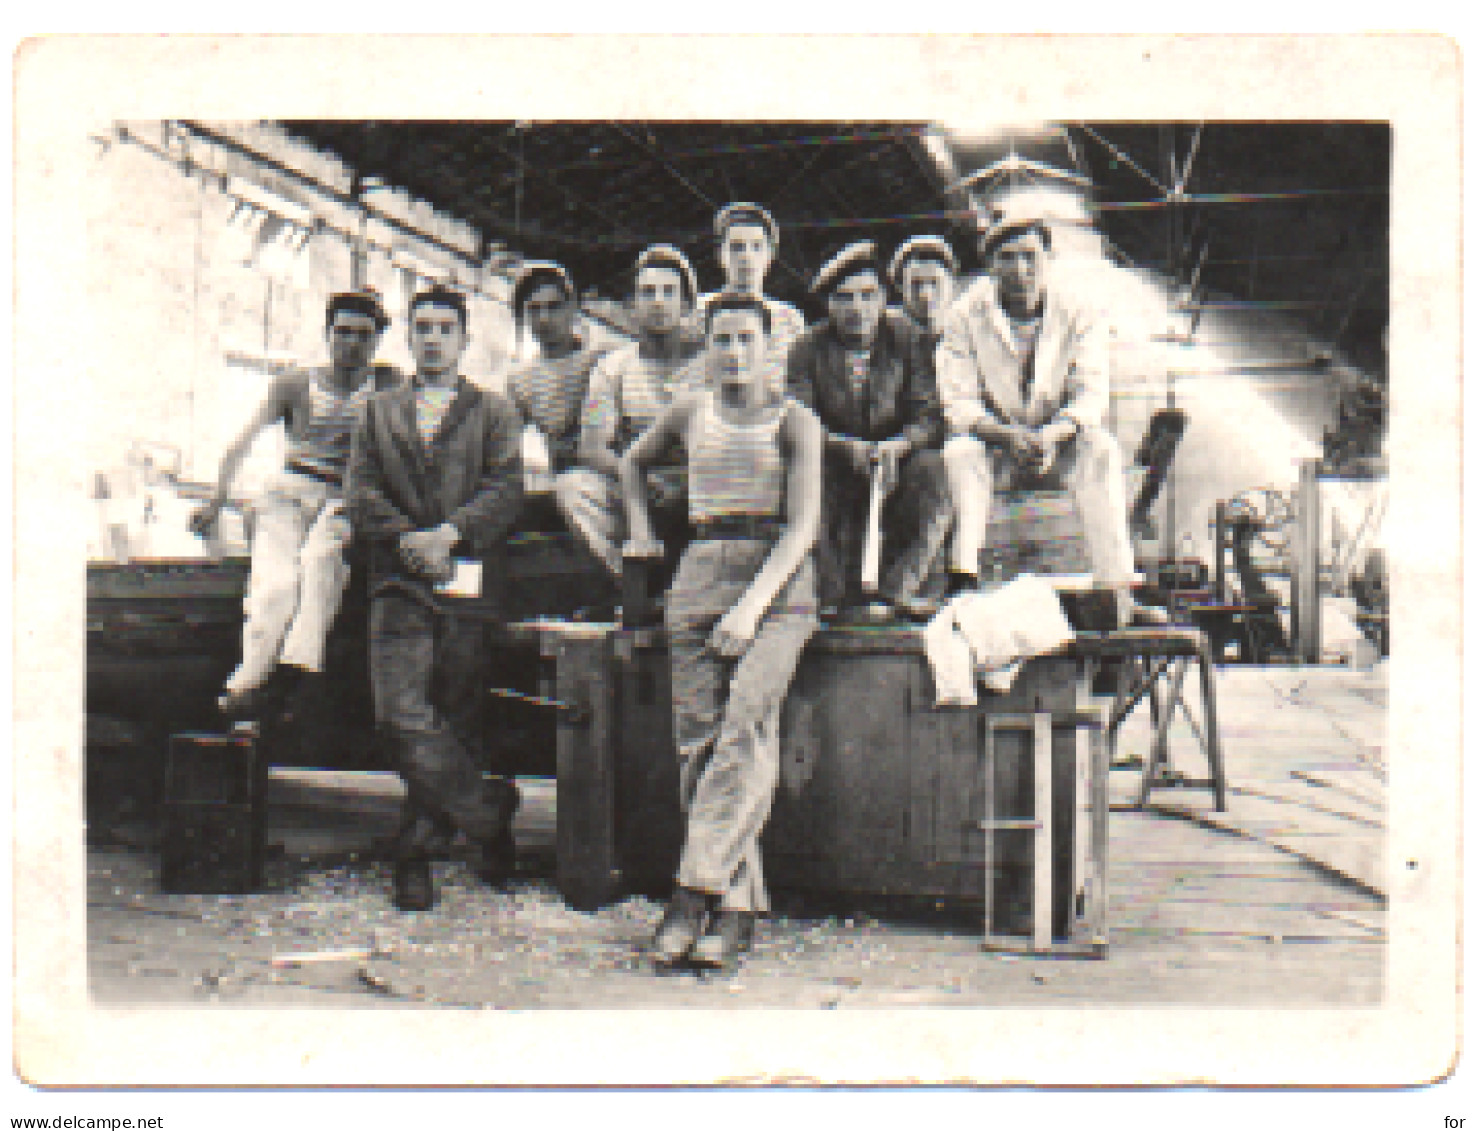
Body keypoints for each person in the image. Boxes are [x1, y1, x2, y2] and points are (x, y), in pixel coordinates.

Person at [620, 293, 823, 970]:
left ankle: (688, 895)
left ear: (770, 349)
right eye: (722, 340)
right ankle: (736, 906)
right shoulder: (687, 411)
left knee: (744, 726)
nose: (734, 353)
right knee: (700, 745)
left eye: (746, 340)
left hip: (778, 585)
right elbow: (629, 463)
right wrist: (643, 530)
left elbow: (801, 528)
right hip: (699, 571)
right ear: (705, 346)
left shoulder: (798, 422)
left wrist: (750, 609)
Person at [346, 285, 525, 913]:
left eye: (445, 328)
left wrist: (450, 534)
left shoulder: (494, 412)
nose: (432, 338)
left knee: (456, 713)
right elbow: (361, 493)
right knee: (398, 713)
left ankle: (416, 850)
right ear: (409, 337)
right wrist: (410, 541)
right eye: (422, 327)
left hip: (467, 578)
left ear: (464, 339)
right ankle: (486, 812)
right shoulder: (378, 411)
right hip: (398, 578)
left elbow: (507, 488)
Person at [935, 214, 1164, 624]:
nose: (1020, 270)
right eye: (1007, 258)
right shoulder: (963, 316)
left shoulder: (1079, 311)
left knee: (1101, 447)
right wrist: (1006, 437)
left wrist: (1054, 436)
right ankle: (963, 582)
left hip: (1058, 445)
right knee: (959, 451)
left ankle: (1118, 590)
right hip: (997, 448)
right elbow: (958, 402)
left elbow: (1091, 392)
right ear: (990, 265)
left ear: (1048, 258)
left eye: (1030, 257)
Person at [191, 289, 400, 718]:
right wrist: (217, 501)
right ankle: (245, 687)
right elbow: (240, 443)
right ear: (327, 335)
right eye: (342, 333)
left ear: (378, 339)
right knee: (276, 587)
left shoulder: (387, 384)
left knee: (322, 563)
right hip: (288, 493)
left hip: (345, 497)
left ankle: (290, 676)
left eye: (364, 334)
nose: (352, 343)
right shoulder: (294, 383)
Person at [785, 240, 953, 619]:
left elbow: (929, 414)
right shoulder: (806, 348)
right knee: (807, 473)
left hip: (898, 460)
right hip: (835, 460)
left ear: (883, 299)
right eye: (844, 298)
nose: (857, 308)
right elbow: (799, 418)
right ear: (828, 304)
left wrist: (900, 445)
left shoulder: (908, 339)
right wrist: (844, 447)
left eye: (867, 296)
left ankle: (900, 590)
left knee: (934, 470)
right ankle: (828, 595)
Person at [556, 244, 705, 577]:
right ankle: (632, 581)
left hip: (701, 488)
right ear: (632, 306)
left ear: (687, 305)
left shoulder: (712, 363)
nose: (658, 302)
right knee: (573, 488)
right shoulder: (611, 368)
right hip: (637, 487)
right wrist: (640, 477)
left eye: (669, 292)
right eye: (647, 292)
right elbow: (592, 448)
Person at [503, 260, 611, 525]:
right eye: (534, 309)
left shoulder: (600, 362)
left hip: (611, 480)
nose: (544, 319)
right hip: (564, 488)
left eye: (554, 307)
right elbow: (505, 445)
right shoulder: (520, 380)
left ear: (572, 308)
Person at [696, 202, 806, 375]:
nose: (746, 256)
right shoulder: (697, 312)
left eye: (756, 246)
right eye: (736, 247)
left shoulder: (790, 320)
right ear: (720, 254)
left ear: (770, 256)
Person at [888, 234, 959, 354]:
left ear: (951, 284)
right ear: (901, 287)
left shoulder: (969, 326)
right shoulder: (886, 331)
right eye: (916, 283)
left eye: (934, 283)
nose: (925, 294)